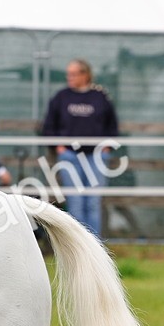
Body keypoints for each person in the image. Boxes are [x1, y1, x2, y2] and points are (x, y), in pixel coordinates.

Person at [40, 59, 119, 238]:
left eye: (74, 74)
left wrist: (106, 147)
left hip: (96, 158)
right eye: (68, 74)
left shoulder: (100, 97)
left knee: (92, 201)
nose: (70, 77)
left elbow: (112, 126)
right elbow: (49, 127)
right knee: (75, 201)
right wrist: (59, 147)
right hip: (70, 157)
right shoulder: (61, 97)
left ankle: (95, 246)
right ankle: (78, 245)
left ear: (86, 75)